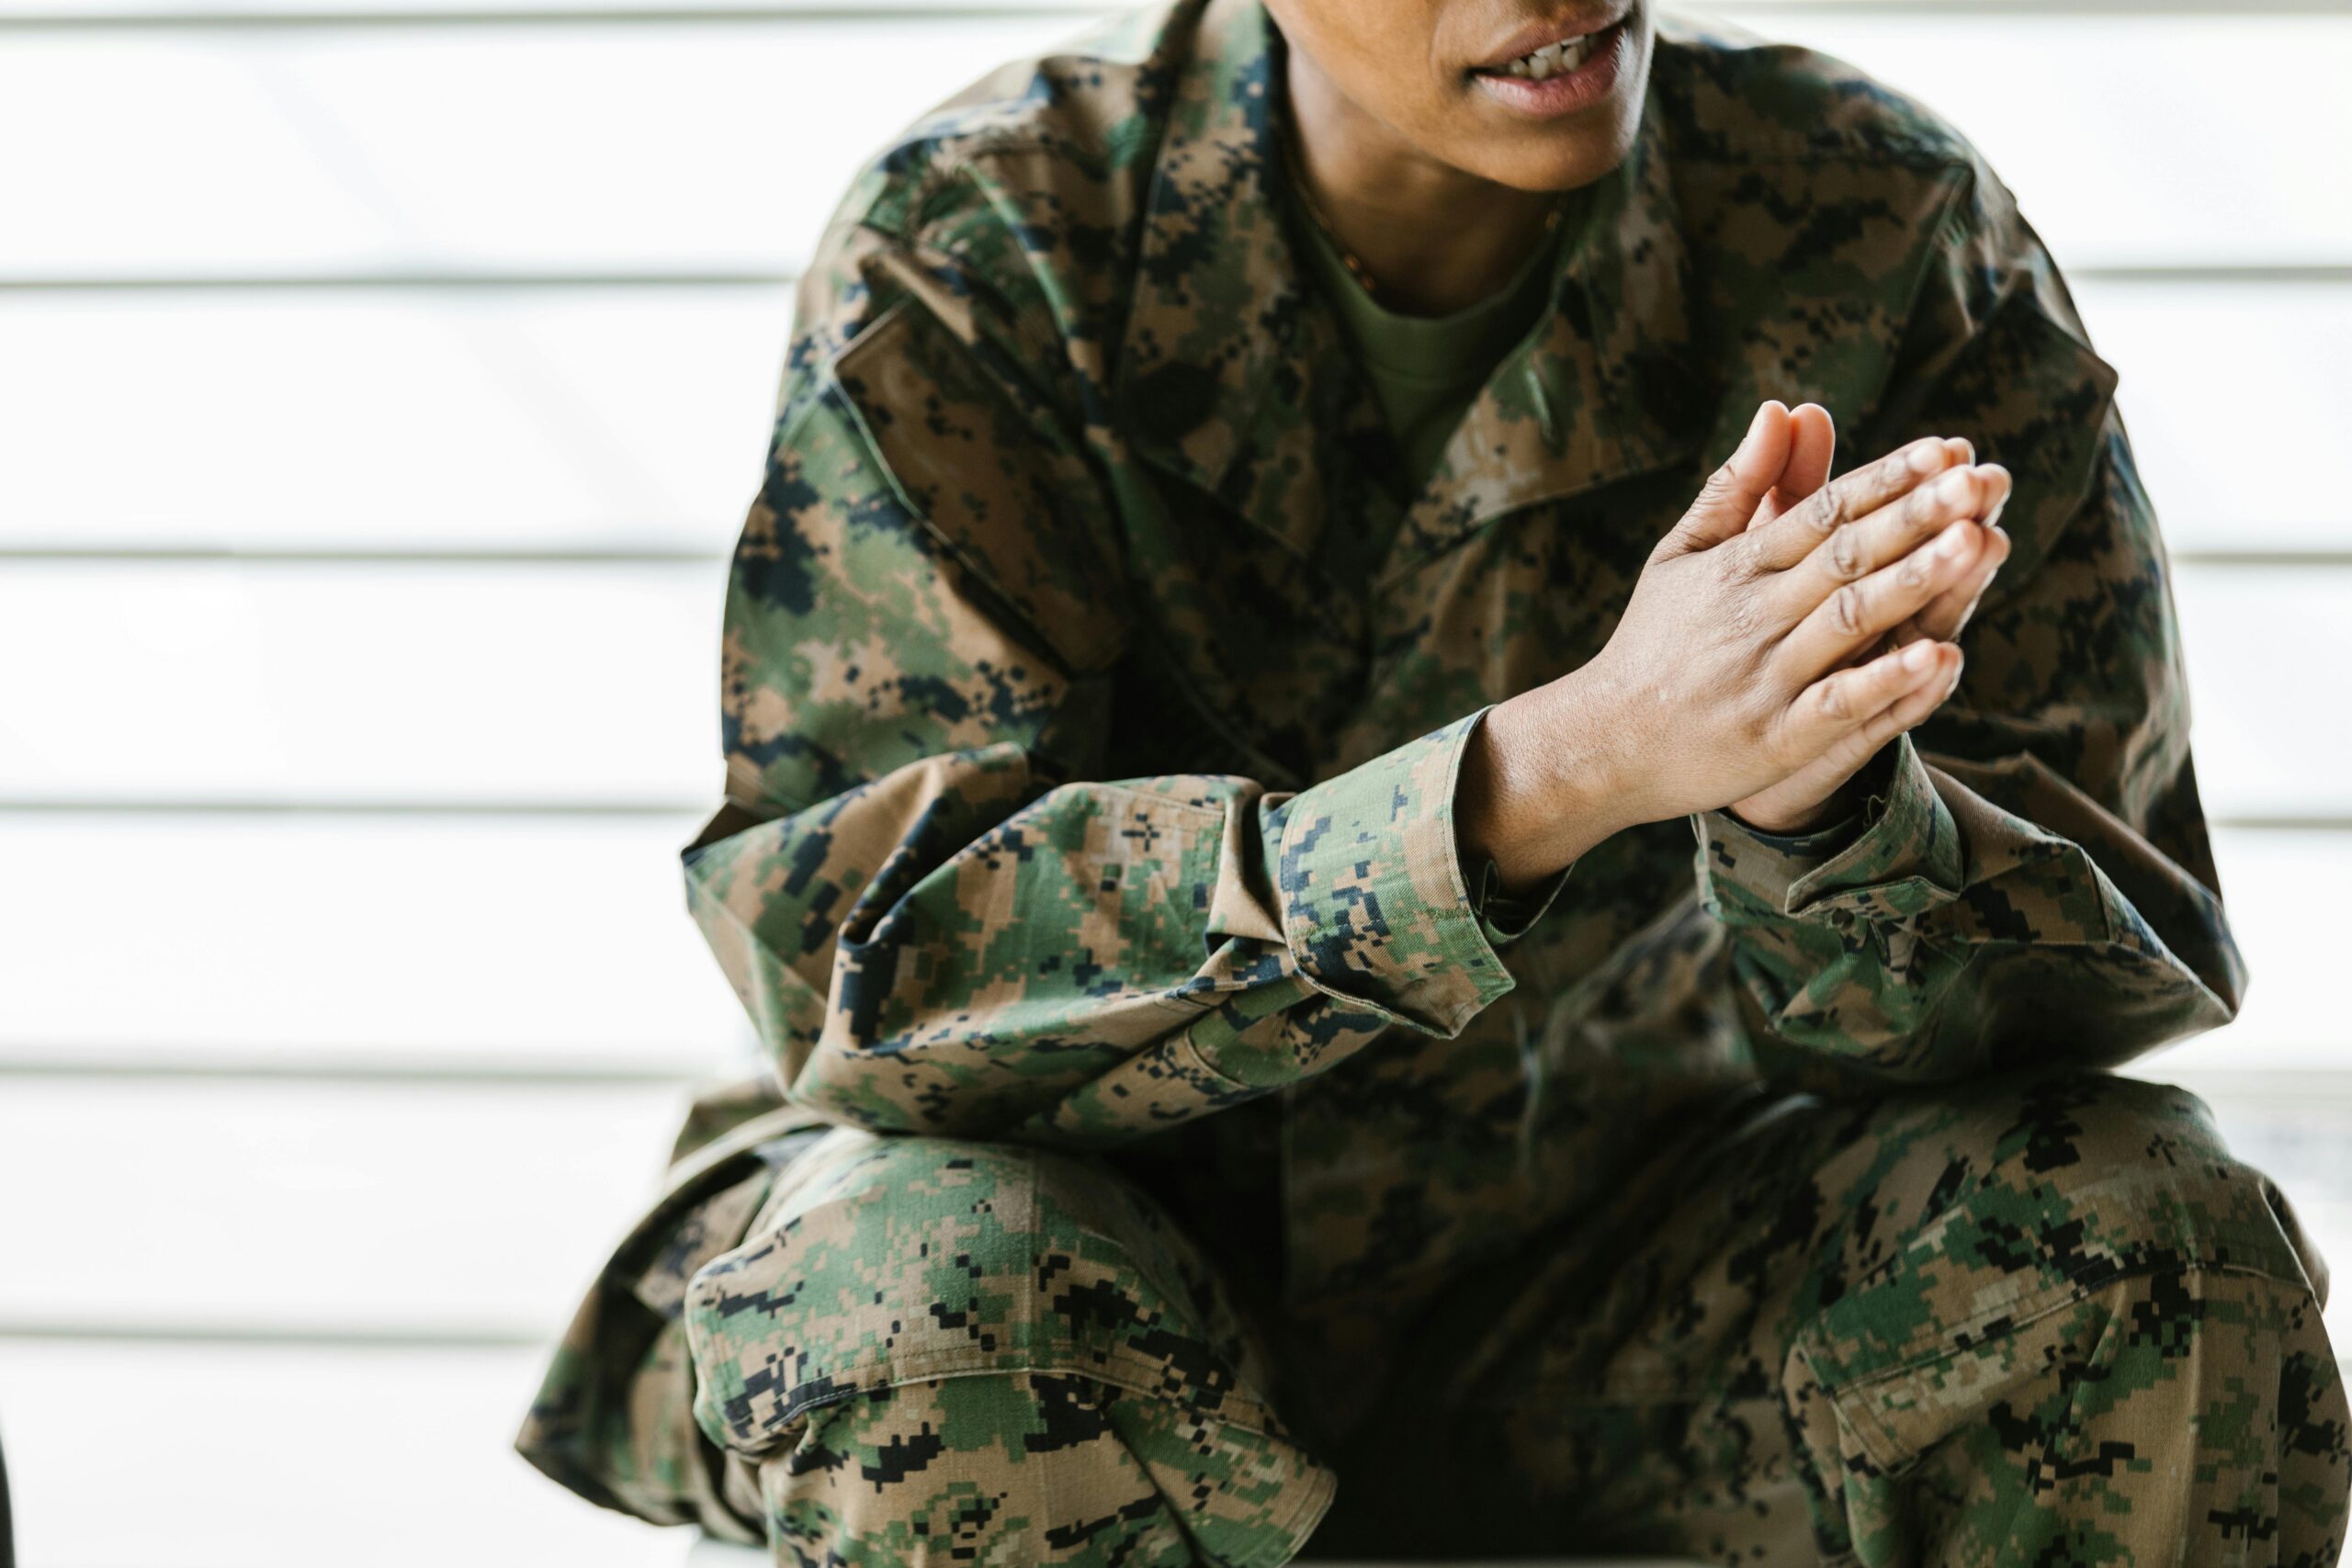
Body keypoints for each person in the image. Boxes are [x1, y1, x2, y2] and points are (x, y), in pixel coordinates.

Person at [516, 0, 2351, 1562]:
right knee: (909, 1288)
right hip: (1113, 1293)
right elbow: (873, 958)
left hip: (1633, 1298)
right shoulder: (983, 249)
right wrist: (1548, 771)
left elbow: (2104, 971)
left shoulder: (1868, 223)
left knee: (2132, 1233)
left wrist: (1823, 815)